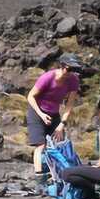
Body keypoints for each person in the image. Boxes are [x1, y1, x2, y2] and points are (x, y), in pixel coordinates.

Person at [27, 53, 82, 191]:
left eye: (74, 70)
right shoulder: (47, 77)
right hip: (37, 111)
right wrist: (41, 114)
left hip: (54, 113)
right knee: (40, 145)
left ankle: (59, 176)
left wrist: (62, 124)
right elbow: (30, 96)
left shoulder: (73, 80)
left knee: (59, 144)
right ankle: (40, 179)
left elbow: (69, 104)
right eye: (69, 69)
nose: (71, 73)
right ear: (62, 66)